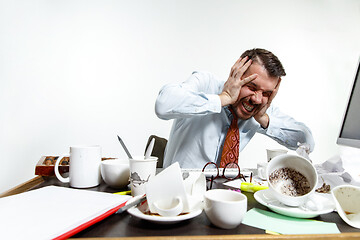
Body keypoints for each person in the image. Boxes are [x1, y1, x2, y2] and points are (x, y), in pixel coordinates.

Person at [155, 48, 315, 168]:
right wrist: (222, 99)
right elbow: (163, 105)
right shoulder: (206, 84)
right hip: (180, 198)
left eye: (266, 92)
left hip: (224, 199)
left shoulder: (260, 109)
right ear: (237, 72)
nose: (257, 99)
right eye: (251, 86)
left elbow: (306, 142)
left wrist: (263, 119)